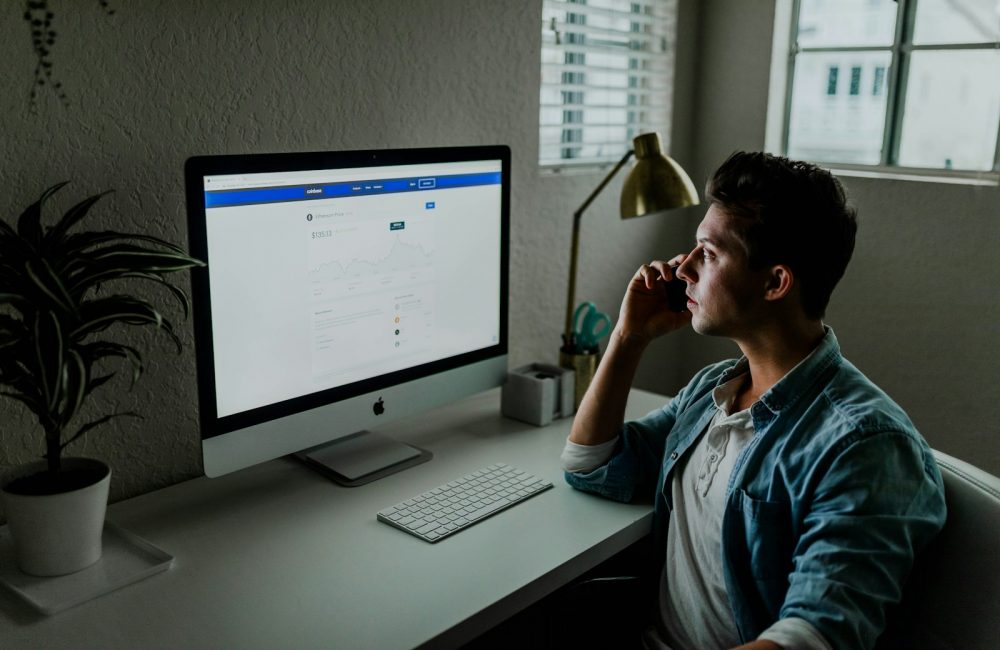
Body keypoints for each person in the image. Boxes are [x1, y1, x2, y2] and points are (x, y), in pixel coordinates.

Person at [560, 151, 947, 650]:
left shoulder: (865, 446)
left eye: (708, 253)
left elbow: (814, 636)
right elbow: (591, 464)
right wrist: (628, 337)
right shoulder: (714, 390)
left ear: (775, 282)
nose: (683, 268)